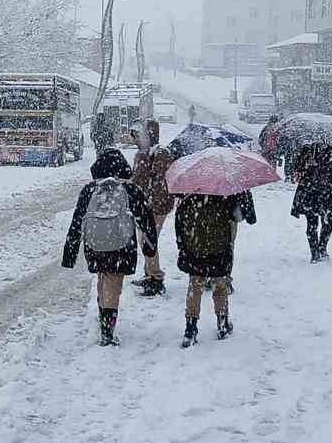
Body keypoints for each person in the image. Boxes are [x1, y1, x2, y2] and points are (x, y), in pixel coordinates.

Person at [63, 148, 159, 346]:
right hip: (121, 247)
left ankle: (102, 315)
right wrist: (150, 247)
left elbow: (77, 222)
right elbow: (146, 220)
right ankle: (107, 331)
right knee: (113, 285)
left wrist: (70, 253)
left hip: (95, 246)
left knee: (102, 277)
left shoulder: (89, 190)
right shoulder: (131, 190)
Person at [173, 189, 256, 347]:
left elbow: (179, 221)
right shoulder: (225, 195)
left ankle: (190, 328)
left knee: (195, 287)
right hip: (219, 249)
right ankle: (222, 323)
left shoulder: (190, 195)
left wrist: (183, 244)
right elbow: (239, 216)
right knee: (220, 286)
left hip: (195, 248)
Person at [128, 120, 177, 297]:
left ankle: (156, 279)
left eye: (137, 136)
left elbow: (159, 183)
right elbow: (139, 179)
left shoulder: (159, 153)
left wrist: (150, 201)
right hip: (147, 204)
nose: (135, 140)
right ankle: (150, 274)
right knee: (146, 240)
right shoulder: (144, 152)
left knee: (148, 241)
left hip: (156, 206)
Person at [291, 142, 332, 263]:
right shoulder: (308, 151)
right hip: (314, 193)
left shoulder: (331, 152)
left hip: (320, 194)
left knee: (325, 223)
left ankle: (320, 248)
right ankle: (316, 251)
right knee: (316, 224)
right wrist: (307, 167)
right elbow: (296, 172)